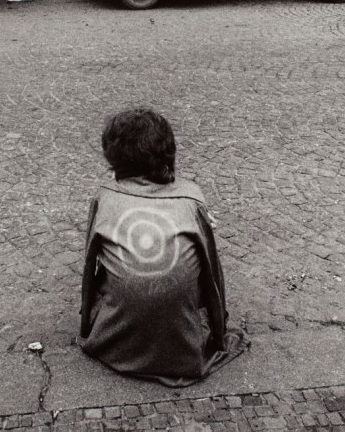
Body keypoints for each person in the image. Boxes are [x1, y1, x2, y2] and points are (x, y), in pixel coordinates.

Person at [78, 108, 249, 387]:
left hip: (113, 344)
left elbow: (89, 267)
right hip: (185, 347)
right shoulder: (191, 198)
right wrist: (219, 332)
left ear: (113, 157)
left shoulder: (104, 195)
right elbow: (212, 275)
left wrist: (86, 326)